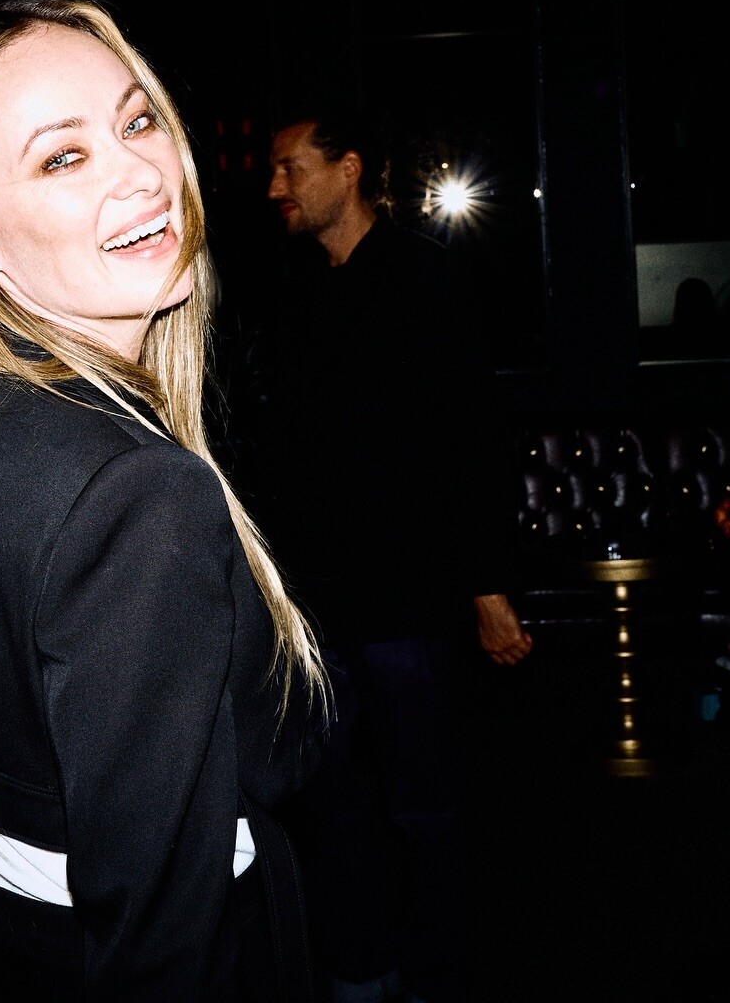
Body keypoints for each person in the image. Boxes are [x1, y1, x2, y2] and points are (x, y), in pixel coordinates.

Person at [0, 0, 331, 1002]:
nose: (141, 172)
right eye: (63, 158)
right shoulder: (135, 493)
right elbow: (161, 943)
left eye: (137, 121)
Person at [234, 103, 533, 1003]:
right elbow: (276, 448)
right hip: (316, 607)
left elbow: (472, 440)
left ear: (349, 169)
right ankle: (360, 974)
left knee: (426, 809)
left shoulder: (424, 278)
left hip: (408, 602)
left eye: (291, 168)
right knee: (330, 807)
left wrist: (487, 586)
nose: (275, 186)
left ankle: (440, 980)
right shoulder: (287, 288)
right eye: (273, 170)